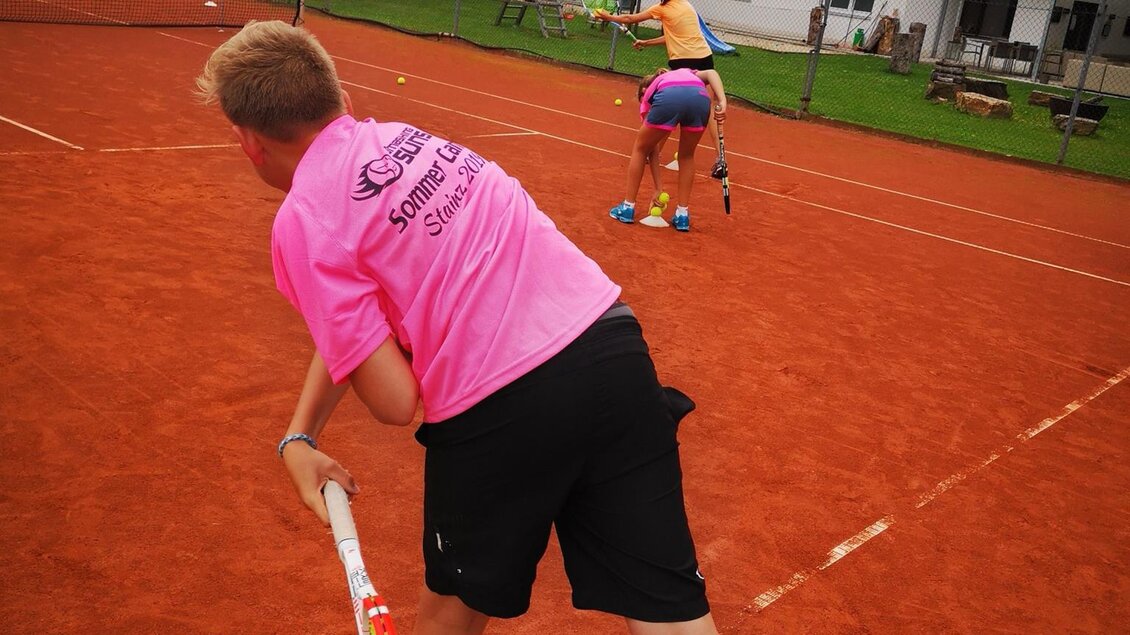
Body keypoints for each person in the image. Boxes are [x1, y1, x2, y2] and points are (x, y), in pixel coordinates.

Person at [196, 20, 718, 635]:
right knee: (671, 615)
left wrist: (302, 437)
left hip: (502, 407)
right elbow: (356, 336)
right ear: (343, 101)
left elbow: (394, 399)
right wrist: (301, 434)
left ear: (249, 143)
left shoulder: (304, 218)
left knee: (451, 616)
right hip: (614, 350)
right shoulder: (406, 139)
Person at [595, 0, 727, 179]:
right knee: (708, 111)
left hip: (683, 61)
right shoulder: (686, 5)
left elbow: (629, 18)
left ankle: (652, 151)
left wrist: (608, 17)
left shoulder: (662, 8)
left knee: (670, 106)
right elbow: (675, 36)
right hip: (705, 59)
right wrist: (647, 42)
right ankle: (720, 159)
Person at [609, 68, 726, 232]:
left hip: (669, 98)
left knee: (640, 148)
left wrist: (658, 188)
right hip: (700, 99)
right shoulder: (687, 73)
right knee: (686, 155)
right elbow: (712, 73)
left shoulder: (650, 95)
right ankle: (682, 215)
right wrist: (722, 101)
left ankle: (627, 207)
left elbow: (651, 149)